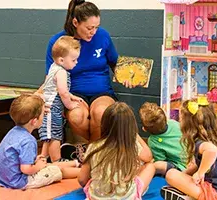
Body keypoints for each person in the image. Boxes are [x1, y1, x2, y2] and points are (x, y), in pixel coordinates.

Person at [41, 0, 134, 142]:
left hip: (102, 91)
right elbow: (50, 77)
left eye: (97, 27)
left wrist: (126, 76)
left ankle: (95, 151)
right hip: (73, 92)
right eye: (89, 28)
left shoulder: (103, 36)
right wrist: (39, 95)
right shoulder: (58, 42)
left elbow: (115, 63)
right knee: (77, 115)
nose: (93, 32)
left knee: (101, 112)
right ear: (75, 22)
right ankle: (84, 148)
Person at [0, 94, 81, 189]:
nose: (45, 116)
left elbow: (16, 157)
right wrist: (38, 166)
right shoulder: (28, 140)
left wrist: (35, 161)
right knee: (57, 170)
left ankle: (76, 163)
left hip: (5, 178)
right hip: (20, 182)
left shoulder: (12, 132)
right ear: (34, 121)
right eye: (43, 114)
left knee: (47, 165)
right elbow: (26, 169)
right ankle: (87, 172)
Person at [164, 98, 217, 200]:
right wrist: (184, 175)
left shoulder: (201, 143)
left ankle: (189, 197)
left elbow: (212, 150)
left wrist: (200, 173)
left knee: (171, 174)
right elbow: (199, 164)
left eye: (181, 118)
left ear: (188, 124)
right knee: (178, 176)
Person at [78, 102, 155, 199]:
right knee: (150, 166)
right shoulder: (132, 146)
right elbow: (148, 157)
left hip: (96, 197)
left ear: (104, 124)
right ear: (131, 126)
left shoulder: (94, 146)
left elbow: (82, 179)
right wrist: (135, 135)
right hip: (127, 197)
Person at [39, 35, 83, 162]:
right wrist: (70, 105)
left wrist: (73, 96)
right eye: (74, 60)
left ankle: (43, 157)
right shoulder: (61, 72)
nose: (76, 62)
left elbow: (59, 89)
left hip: (52, 108)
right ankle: (56, 160)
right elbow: (63, 93)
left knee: (49, 135)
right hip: (52, 109)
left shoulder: (54, 67)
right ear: (61, 60)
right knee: (55, 136)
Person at [139, 102, 186, 176]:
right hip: (192, 161)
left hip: (180, 167)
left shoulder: (153, 141)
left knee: (156, 165)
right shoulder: (173, 123)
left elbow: (161, 159)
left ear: (144, 129)